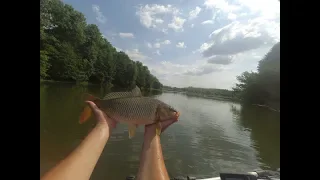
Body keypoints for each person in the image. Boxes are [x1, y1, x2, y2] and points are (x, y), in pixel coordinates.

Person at [41, 101, 178, 180]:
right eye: (171, 110)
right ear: (161, 110)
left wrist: (103, 126)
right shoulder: (153, 108)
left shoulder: (155, 110)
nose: (173, 112)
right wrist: (153, 135)